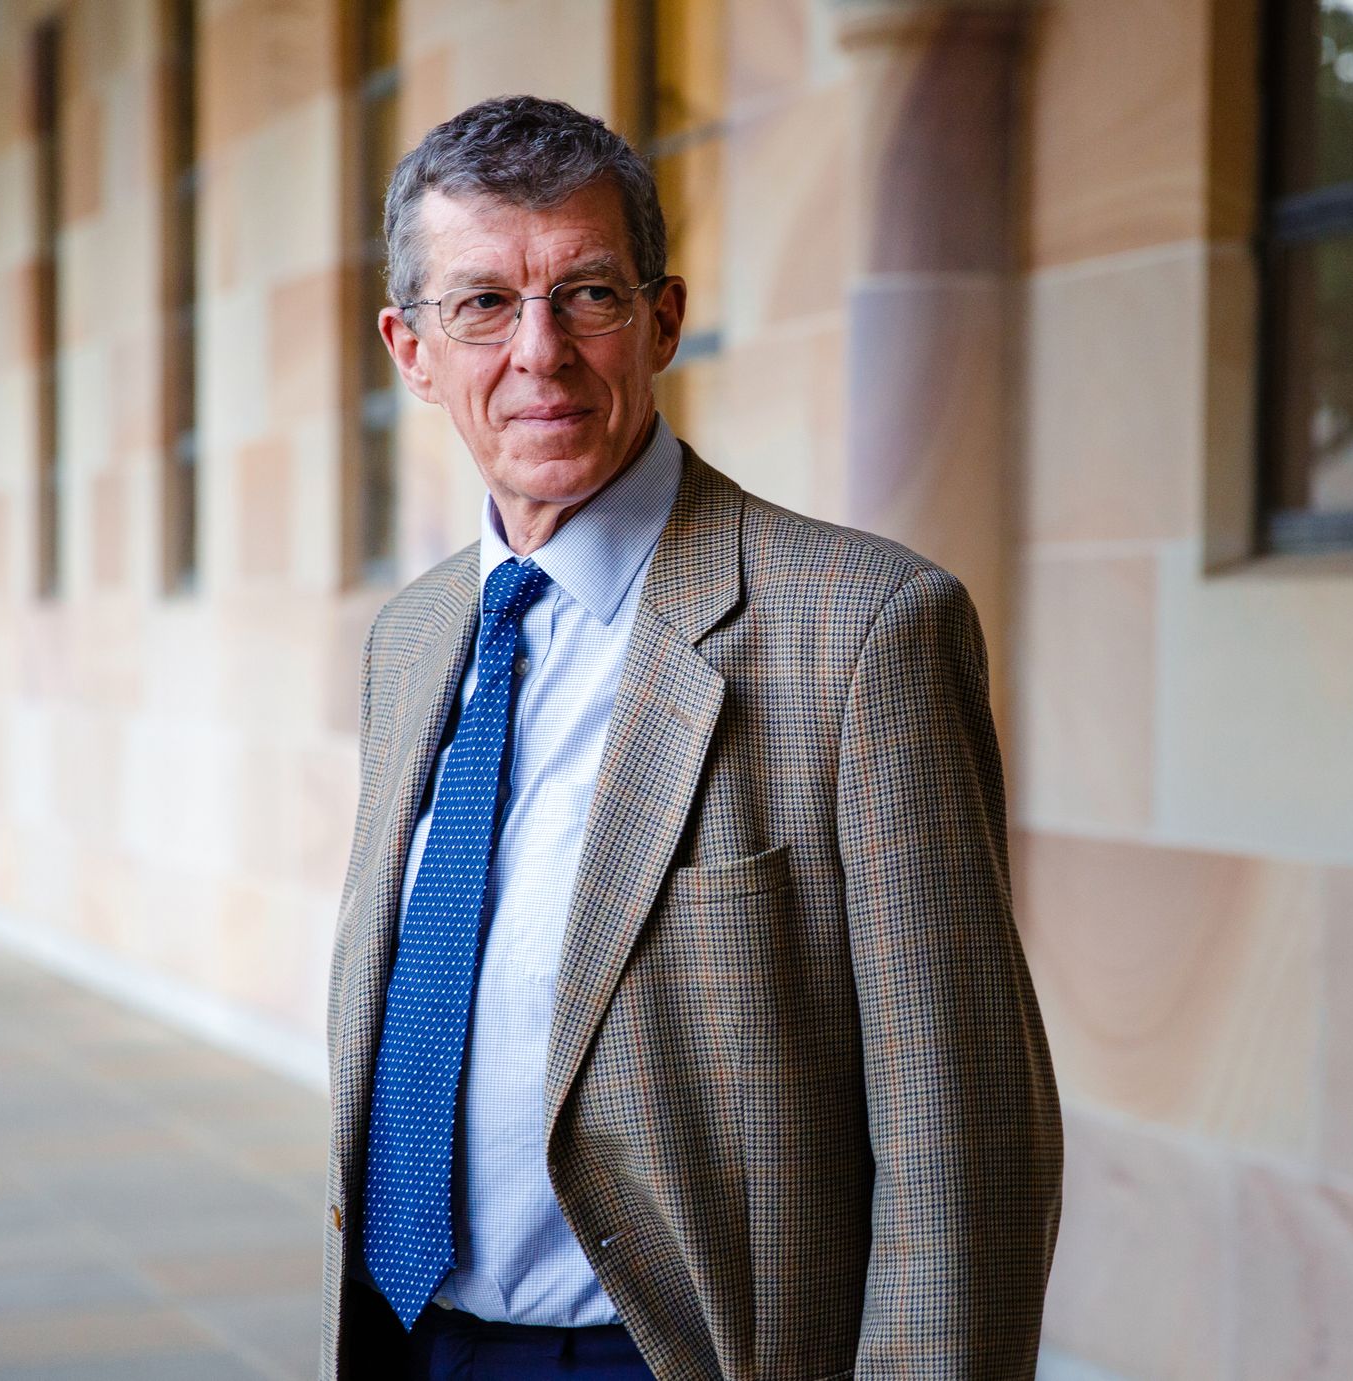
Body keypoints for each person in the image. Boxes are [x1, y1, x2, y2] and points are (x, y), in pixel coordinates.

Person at [321, 95, 1062, 1381]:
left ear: (662, 319)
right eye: (482, 304)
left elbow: (965, 1144)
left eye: (587, 295)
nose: (538, 353)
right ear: (411, 349)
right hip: (410, 1336)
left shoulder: (863, 630)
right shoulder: (414, 636)